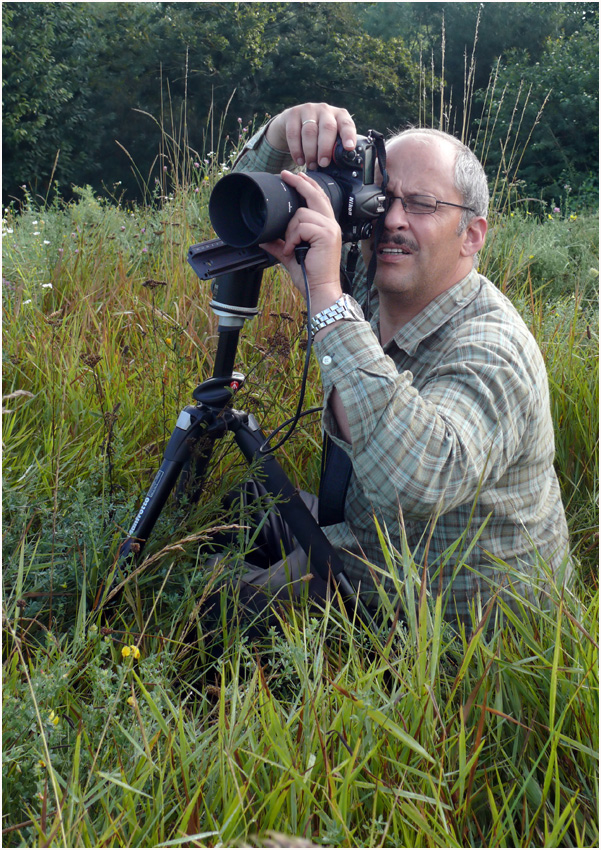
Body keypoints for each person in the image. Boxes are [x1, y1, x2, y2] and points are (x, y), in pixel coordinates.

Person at [216, 101, 571, 633]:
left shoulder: (495, 348)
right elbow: (248, 216)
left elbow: (414, 484)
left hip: (445, 616)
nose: (394, 221)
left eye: (423, 205)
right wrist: (281, 133)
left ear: (472, 235)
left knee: (208, 604)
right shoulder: (376, 278)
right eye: (384, 199)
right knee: (244, 500)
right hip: (372, 539)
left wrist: (327, 301)